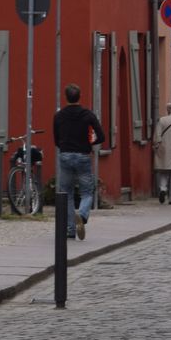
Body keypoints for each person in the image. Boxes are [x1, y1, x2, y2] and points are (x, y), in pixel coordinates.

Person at [53, 82, 104, 240]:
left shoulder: (59, 115)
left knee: (66, 193)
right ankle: (81, 215)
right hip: (82, 156)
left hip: (65, 155)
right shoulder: (87, 114)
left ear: (65, 97)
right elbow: (102, 136)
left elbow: (56, 140)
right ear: (80, 96)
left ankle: (70, 229)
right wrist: (90, 143)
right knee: (87, 192)